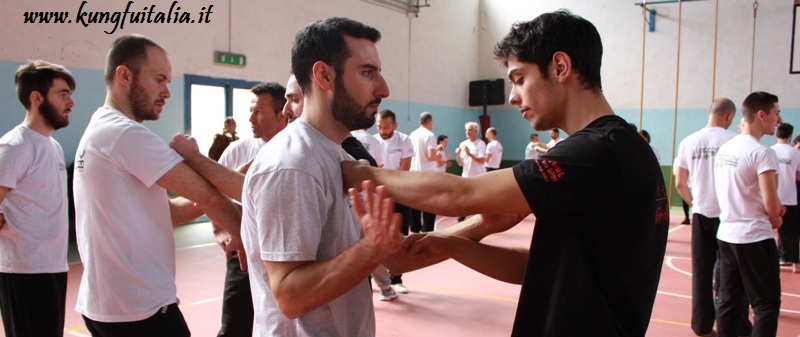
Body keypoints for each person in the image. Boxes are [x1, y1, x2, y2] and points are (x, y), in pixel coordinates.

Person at [342, 10, 669, 336]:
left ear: (559, 67)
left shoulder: (598, 153)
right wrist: (454, 243)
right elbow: (541, 267)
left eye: (520, 79)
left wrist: (357, 172)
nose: (513, 97)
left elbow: (458, 195)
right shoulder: (618, 149)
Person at [73, 34, 244, 337]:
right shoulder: (125, 134)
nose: (167, 92)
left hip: (108, 308)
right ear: (124, 75)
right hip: (140, 309)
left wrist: (215, 189)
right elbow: (210, 199)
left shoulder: (101, 129)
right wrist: (250, 242)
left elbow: (169, 212)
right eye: (159, 80)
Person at [240, 17, 402, 336]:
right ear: (324, 75)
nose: (383, 89)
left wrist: (480, 226)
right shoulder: (292, 165)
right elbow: (290, 295)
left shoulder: (336, 154)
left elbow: (359, 250)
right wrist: (370, 249)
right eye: (368, 73)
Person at [0, 60, 75, 337]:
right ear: (36, 97)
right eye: (63, 94)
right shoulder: (15, 146)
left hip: (53, 266)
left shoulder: (52, 146)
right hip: (23, 271)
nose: (71, 103)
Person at [211, 82, 287, 337]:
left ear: (281, 114)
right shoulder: (237, 151)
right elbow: (210, 193)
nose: (250, 118)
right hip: (243, 252)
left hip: (286, 253)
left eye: (258, 112)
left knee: (286, 323)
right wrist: (221, 230)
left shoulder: (295, 151)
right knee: (234, 324)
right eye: (250, 111)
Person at [673, 98, 753, 337]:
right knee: (731, 276)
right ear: (729, 117)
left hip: (701, 214)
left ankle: (701, 323)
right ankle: (735, 325)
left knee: (701, 271)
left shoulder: (689, 141)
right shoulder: (734, 142)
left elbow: (679, 183)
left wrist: (694, 202)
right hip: (729, 216)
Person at [714, 91, 783, 337]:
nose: (779, 120)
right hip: (753, 236)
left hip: (727, 234)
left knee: (729, 301)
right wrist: (779, 211)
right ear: (761, 114)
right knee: (765, 304)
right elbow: (772, 206)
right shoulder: (762, 153)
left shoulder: (725, 149)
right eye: (776, 114)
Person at [374, 109, 414, 294]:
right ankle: (370, 277)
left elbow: (404, 170)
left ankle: (396, 278)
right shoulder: (373, 141)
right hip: (378, 195)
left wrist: (391, 185)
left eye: (386, 127)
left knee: (399, 237)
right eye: (379, 126)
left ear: (395, 126)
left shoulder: (404, 140)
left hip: (400, 194)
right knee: (374, 236)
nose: (382, 130)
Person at [772, 123, 800, 273]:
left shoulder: (769, 151)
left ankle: (774, 258)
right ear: (790, 136)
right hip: (790, 196)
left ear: (776, 135)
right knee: (792, 230)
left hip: (772, 196)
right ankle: (795, 262)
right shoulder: (794, 153)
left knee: (768, 229)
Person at [409, 112, 439, 232]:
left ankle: (415, 230)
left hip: (413, 172)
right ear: (430, 122)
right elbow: (431, 156)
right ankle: (427, 231)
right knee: (429, 205)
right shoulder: (430, 135)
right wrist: (439, 156)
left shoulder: (412, 134)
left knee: (414, 204)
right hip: (426, 174)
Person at [455, 121, 486, 222]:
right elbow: (460, 163)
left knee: (480, 200)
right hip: (466, 176)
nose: (467, 131)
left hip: (478, 177)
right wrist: (458, 154)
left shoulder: (481, 144)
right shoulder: (462, 144)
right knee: (463, 199)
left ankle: (484, 220)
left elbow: (482, 160)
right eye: (466, 130)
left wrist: (470, 154)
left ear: (476, 131)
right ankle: (461, 219)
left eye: (470, 129)